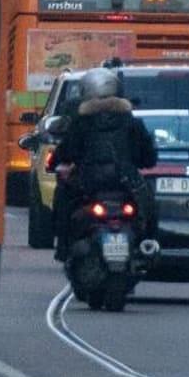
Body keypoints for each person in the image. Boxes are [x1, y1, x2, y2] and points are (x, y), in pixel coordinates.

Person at [52, 66, 158, 262]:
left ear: (86, 93)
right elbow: (149, 158)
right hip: (125, 184)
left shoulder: (81, 122)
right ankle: (149, 243)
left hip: (88, 184)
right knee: (149, 202)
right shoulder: (132, 123)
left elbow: (67, 151)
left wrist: (57, 162)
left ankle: (63, 247)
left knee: (63, 198)